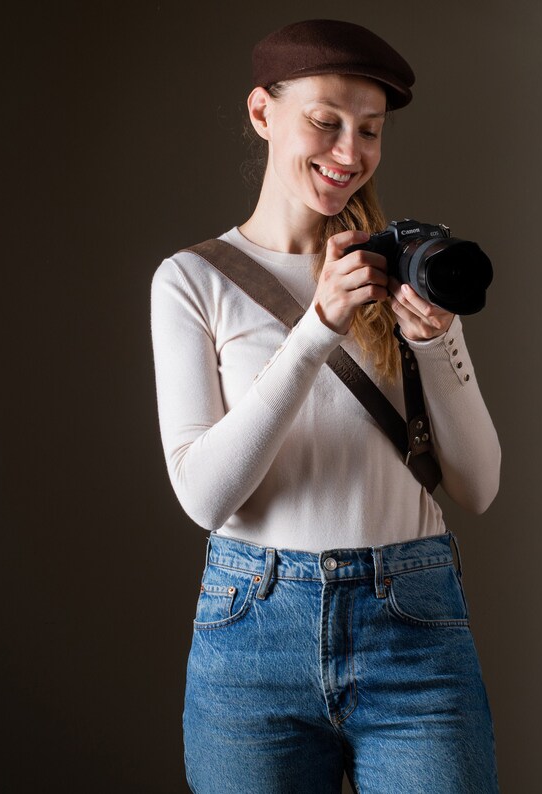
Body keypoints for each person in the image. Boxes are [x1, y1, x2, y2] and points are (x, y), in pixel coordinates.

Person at [151, 19, 501, 794]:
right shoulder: (191, 280)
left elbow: (478, 486)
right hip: (253, 636)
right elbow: (205, 496)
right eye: (326, 121)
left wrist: (439, 344)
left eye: (369, 131)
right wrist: (316, 330)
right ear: (262, 113)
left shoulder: (408, 272)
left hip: (412, 623)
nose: (350, 152)